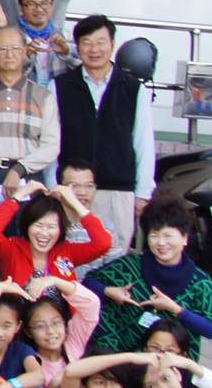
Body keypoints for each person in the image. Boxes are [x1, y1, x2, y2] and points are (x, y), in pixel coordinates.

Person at [55, 15, 154, 263]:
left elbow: (143, 143)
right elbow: (52, 142)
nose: (94, 49)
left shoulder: (133, 88)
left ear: (112, 44)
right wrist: (53, 187)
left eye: (101, 42)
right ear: (78, 47)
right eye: (87, 43)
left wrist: (142, 193)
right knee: (71, 260)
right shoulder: (60, 86)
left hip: (118, 191)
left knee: (114, 259)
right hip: (73, 190)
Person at [87, 198, 212, 358]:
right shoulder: (128, 267)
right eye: (154, 235)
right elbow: (87, 283)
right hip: (120, 360)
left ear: (184, 238)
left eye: (168, 235)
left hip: (173, 365)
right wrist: (108, 291)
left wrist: (175, 309)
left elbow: (210, 329)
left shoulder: (200, 281)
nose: (161, 243)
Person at [0, 28, 61, 190]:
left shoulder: (43, 95)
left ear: (25, 52)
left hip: (26, 174)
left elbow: (51, 145)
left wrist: (19, 169)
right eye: (3, 49)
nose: (9, 54)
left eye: (15, 48)